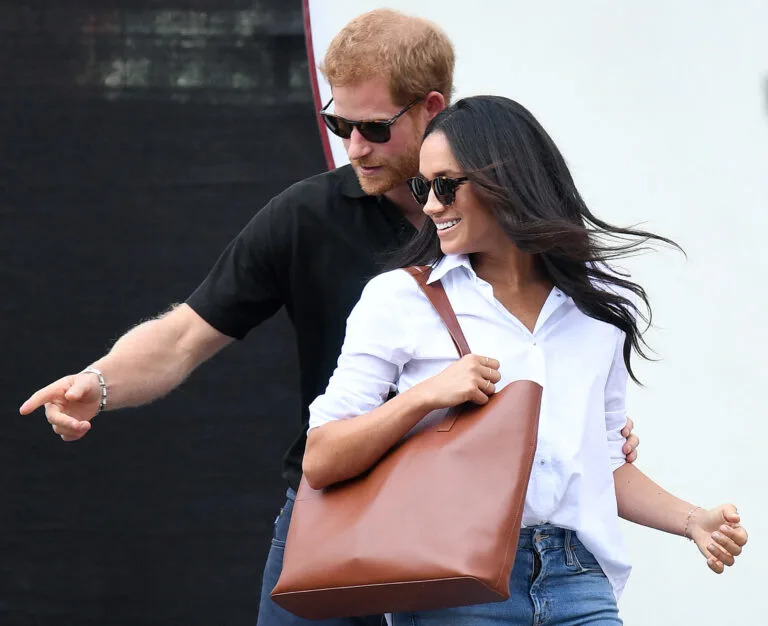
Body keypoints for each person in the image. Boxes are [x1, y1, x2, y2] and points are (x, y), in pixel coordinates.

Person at [18, 10, 639, 626]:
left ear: (431, 106)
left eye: (372, 126)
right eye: (338, 123)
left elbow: (562, 363)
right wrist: (98, 384)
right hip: (340, 512)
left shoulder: (510, 228)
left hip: (463, 532)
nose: (355, 146)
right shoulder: (307, 216)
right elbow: (184, 334)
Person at [302, 95, 748, 625]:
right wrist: (426, 396)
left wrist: (693, 520)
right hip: (456, 579)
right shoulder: (400, 299)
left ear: (506, 180)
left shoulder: (595, 308)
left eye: (446, 185)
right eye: (423, 187)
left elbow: (603, 462)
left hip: (578, 579)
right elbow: (321, 457)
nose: (430, 205)